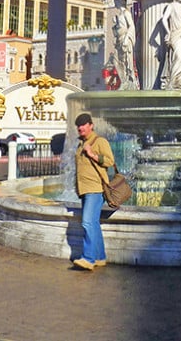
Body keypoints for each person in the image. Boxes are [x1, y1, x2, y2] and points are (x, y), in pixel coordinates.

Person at [73, 112, 115, 271]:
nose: (80, 128)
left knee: (87, 222)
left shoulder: (99, 141)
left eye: (83, 124)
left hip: (95, 188)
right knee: (94, 224)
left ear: (91, 125)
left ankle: (88, 258)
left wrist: (92, 154)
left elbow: (110, 161)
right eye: (78, 125)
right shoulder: (81, 143)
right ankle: (100, 257)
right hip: (84, 189)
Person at [112, 0, 139, 90]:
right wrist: (115, 25)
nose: (115, 4)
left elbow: (131, 26)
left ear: (119, 2)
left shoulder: (126, 13)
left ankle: (130, 82)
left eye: (116, 2)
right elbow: (116, 32)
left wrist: (127, 38)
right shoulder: (118, 15)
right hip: (119, 41)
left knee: (127, 62)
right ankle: (124, 80)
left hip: (125, 40)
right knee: (116, 61)